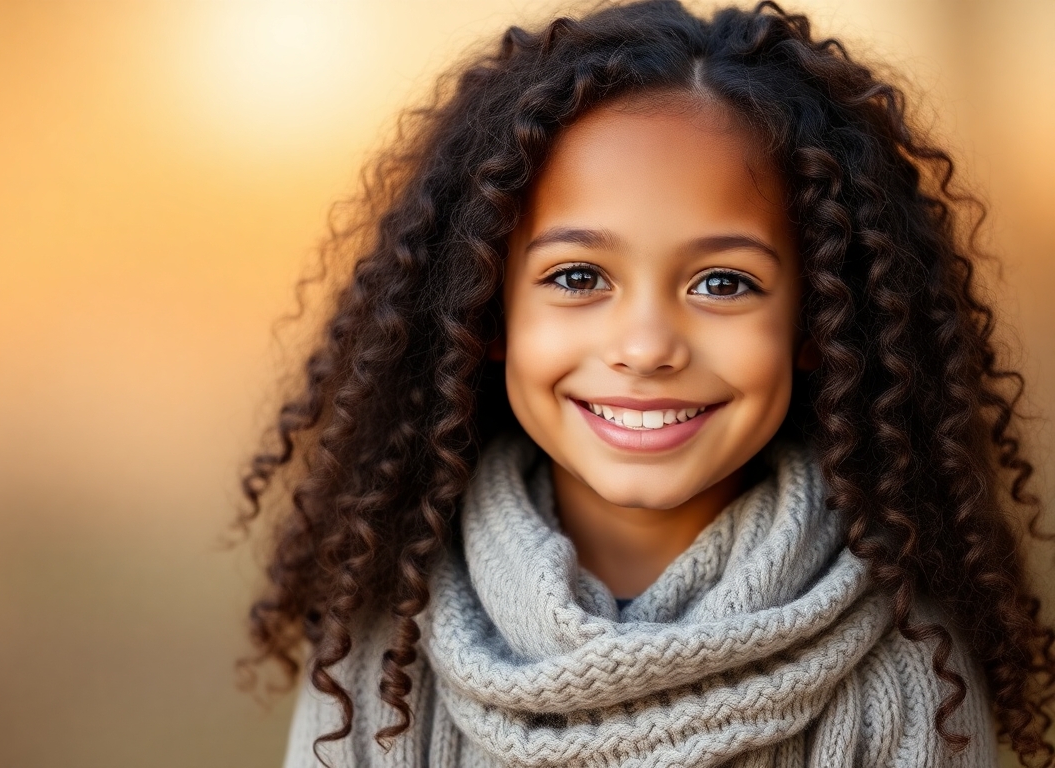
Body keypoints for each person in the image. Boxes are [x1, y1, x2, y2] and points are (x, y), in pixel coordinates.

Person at [237, 1, 1055, 765]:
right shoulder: (383, 651)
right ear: (485, 312)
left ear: (818, 324)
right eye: (579, 275)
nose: (646, 346)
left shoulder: (912, 673)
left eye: (723, 284)